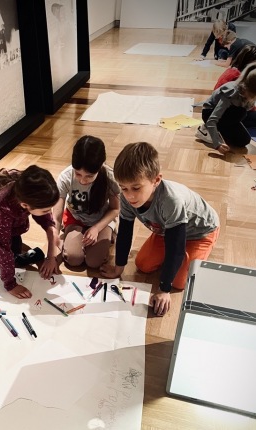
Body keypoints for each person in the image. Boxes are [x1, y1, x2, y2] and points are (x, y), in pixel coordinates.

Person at [101, 142, 220, 317]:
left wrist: (164, 289)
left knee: (178, 283)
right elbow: (125, 232)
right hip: (166, 229)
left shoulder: (171, 201)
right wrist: (119, 267)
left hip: (200, 232)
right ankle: (176, 262)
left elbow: (176, 248)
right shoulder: (126, 198)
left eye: (136, 188)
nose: (129, 195)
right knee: (143, 264)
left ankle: (199, 253)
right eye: (123, 188)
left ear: (156, 180)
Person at [0, 165, 61, 299]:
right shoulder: (4, 209)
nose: (48, 212)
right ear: (25, 205)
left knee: (14, 252)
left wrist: (51, 255)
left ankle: (14, 244)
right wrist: (10, 284)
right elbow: (3, 247)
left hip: (11, 211)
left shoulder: (29, 192)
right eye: (45, 210)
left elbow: (46, 221)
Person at [53, 135, 120, 270]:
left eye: (89, 176)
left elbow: (115, 209)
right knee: (73, 258)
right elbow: (57, 215)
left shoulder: (110, 178)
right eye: (78, 174)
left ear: (100, 166)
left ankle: (111, 230)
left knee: (94, 262)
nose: (83, 180)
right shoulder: (65, 177)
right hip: (76, 218)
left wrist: (97, 228)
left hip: (101, 220)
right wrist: (53, 242)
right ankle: (74, 235)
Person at [195, 62, 256, 153]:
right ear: (248, 89)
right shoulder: (232, 92)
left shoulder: (248, 93)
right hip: (209, 114)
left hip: (228, 115)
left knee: (244, 140)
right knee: (241, 113)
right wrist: (217, 144)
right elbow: (212, 119)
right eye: (253, 96)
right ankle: (205, 129)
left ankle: (220, 130)